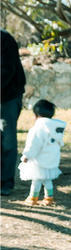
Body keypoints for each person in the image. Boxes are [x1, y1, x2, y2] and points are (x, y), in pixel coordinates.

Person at [20, 99, 66, 206]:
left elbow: (33, 144)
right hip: (51, 160)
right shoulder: (56, 128)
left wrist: (26, 155)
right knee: (47, 180)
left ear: (37, 115)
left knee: (36, 180)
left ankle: (33, 198)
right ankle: (49, 199)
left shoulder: (38, 128)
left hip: (39, 161)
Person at [1, 29, 27, 197]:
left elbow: (6, 70)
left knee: (6, 139)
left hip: (8, 96)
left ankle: (5, 182)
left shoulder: (5, 40)